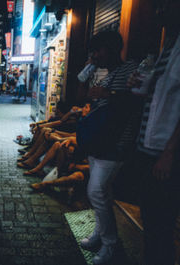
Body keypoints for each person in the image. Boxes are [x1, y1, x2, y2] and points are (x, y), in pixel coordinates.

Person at [78, 31, 140, 265]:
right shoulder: (106, 74)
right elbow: (81, 96)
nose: (95, 55)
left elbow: (137, 101)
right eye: (92, 51)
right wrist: (88, 70)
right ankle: (99, 234)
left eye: (98, 50)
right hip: (99, 142)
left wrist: (108, 94)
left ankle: (110, 244)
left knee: (96, 191)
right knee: (102, 192)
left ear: (113, 48)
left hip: (116, 143)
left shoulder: (131, 70)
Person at [128, 1, 180, 264]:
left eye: (165, 7)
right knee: (151, 219)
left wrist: (169, 153)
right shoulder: (168, 46)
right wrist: (142, 85)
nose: (158, 13)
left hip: (164, 153)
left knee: (160, 224)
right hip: (149, 148)